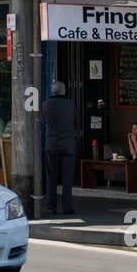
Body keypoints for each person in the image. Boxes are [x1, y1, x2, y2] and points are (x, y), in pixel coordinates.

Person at [42, 80, 78, 215]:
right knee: (67, 179)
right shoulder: (70, 104)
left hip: (52, 144)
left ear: (52, 91)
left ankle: (51, 207)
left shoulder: (45, 105)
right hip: (68, 144)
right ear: (63, 91)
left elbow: (44, 122)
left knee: (51, 177)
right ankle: (67, 207)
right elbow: (75, 121)